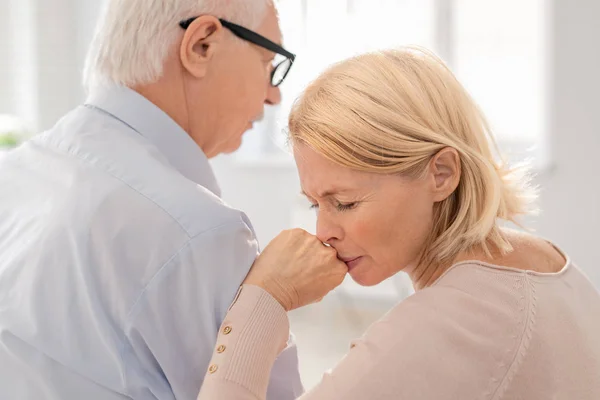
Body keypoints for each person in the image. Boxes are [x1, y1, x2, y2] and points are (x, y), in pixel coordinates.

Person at [196, 48, 600, 399]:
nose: (323, 232)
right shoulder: (549, 265)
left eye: (345, 202)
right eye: (316, 205)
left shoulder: (447, 325)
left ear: (441, 173)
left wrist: (264, 297)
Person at [0, 0, 312, 398]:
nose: (273, 96)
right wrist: (270, 297)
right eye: (269, 62)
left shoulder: (16, 172)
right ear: (202, 45)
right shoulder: (198, 232)